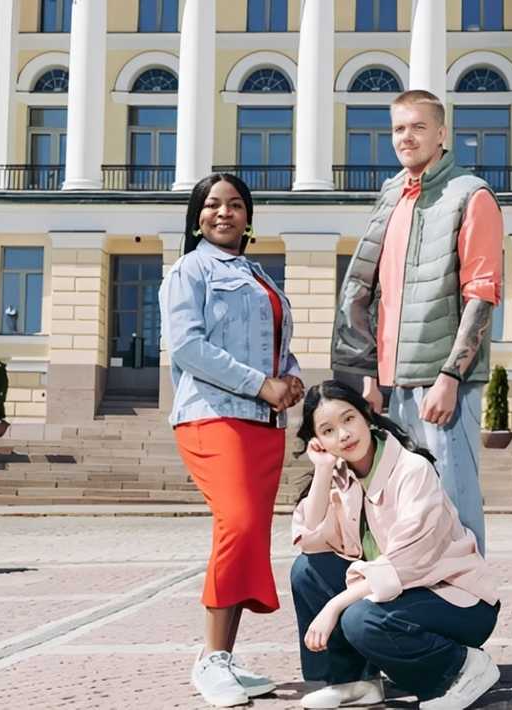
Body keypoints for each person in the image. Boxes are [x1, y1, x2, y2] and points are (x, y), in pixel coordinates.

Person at [331, 89, 503, 555]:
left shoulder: (472, 195)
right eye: (399, 129)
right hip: (391, 383)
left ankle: (467, 605)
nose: (407, 137)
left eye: (418, 127)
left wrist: (451, 375)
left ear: (443, 133)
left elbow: (482, 294)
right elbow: (369, 289)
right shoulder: (392, 195)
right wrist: (369, 374)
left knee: (453, 502)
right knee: (407, 506)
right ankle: (417, 608)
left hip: (443, 383)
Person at [160, 172, 305, 708]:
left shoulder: (258, 274)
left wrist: (289, 378)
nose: (225, 213)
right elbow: (188, 348)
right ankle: (211, 659)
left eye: (236, 205)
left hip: (263, 425)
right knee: (238, 523)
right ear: (197, 216)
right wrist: (260, 384)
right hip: (212, 417)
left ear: (249, 216)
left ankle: (222, 656)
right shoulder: (188, 271)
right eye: (213, 205)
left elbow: (277, 344)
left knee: (246, 536)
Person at [291, 380, 500, 710]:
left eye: (348, 420)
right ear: (318, 441)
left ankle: (461, 668)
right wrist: (322, 471)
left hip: (456, 600)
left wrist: (333, 608)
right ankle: (354, 681)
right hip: (402, 594)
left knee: (360, 619)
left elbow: (407, 561)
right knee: (307, 570)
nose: (343, 435)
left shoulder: (412, 470)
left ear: (367, 416)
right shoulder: (340, 477)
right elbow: (310, 538)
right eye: (328, 430)